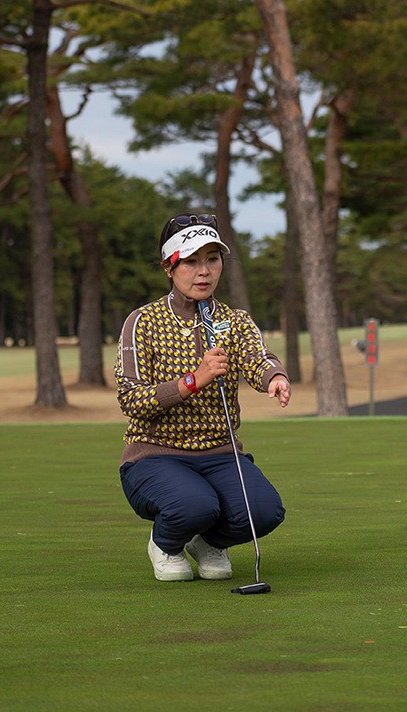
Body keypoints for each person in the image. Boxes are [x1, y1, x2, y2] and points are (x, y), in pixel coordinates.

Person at [114, 213, 291, 582]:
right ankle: (166, 543)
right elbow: (132, 400)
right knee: (194, 505)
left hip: (220, 453)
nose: (204, 271)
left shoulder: (234, 320)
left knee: (264, 512)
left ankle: (208, 542)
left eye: (212, 259)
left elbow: (257, 357)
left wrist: (273, 377)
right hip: (154, 454)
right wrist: (193, 380)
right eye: (191, 261)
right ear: (169, 267)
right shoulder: (143, 322)